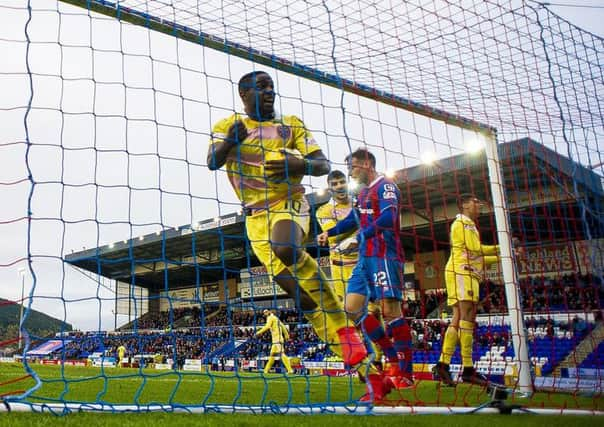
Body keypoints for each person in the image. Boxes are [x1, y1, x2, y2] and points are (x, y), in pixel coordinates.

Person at [206, 70, 366, 371]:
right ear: (244, 94)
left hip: (288, 203)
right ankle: (355, 360)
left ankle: (346, 329)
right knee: (302, 298)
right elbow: (212, 161)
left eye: (271, 87)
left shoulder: (290, 125)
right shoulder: (228, 126)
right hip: (254, 218)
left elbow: (322, 165)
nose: (269, 92)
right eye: (261, 87)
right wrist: (230, 142)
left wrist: (298, 163)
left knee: (285, 247)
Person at [318, 148, 414, 399]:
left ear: (368, 164)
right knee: (352, 308)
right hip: (364, 259)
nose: (350, 172)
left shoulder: (386, 186)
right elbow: (353, 219)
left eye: (353, 167)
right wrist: (331, 232)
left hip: (384, 255)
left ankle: (405, 373)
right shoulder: (361, 194)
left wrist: (359, 237)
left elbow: (388, 217)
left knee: (390, 311)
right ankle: (391, 358)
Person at [433, 194, 506, 387]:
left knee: (460, 319)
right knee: (466, 316)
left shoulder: (470, 226)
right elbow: (476, 249)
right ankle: (467, 369)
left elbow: (478, 257)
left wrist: (505, 255)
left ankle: (443, 365)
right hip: (461, 271)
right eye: (475, 201)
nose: (479, 204)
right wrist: (503, 248)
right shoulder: (462, 223)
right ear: (465, 205)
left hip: (467, 272)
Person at [316, 170, 384, 367]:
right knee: (356, 314)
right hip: (340, 270)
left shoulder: (360, 202)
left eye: (341, 182)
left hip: (363, 263)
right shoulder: (324, 211)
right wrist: (359, 226)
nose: (339, 186)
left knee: (375, 312)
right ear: (330, 188)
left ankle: (376, 356)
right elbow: (334, 237)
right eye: (334, 183)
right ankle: (370, 358)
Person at [255, 309, 294, 374]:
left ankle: (290, 370)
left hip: (277, 339)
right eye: (264, 313)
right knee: (272, 356)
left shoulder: (270, 318)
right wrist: (286, 335)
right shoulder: (276, 318)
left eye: (265, 312)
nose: (265, 314)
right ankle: (266, 370)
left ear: (268, 312)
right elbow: (283, 326)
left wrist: (258, 332)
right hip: (276, 340)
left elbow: (267, 326)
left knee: (282, 354)